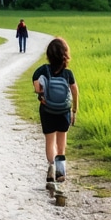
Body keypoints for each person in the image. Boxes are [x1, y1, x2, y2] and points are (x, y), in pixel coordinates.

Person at [32, 37, 79, 185]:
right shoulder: (68, 73)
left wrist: (40, 95)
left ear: (49, 55)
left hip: (47, 110)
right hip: (64, 111)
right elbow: (75, 91)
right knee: (61, 143)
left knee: (49, 141)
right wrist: (74, 110)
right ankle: (61, 171)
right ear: (65, 54)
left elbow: (35, 82)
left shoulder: (43, 70)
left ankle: (51, 167)